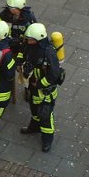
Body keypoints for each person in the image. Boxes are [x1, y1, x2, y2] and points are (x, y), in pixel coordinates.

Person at [20, 23, 62, 152]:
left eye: (31, 39)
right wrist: (19, 64)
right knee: (34, 109)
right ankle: (34, 127)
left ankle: (47, 139)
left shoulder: (49, 53)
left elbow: (54, 75)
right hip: (33, 87)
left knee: (46, 117)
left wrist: (39, 84)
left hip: (45, 92)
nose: (28, 41)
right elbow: (23, 53)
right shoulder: (30, 46)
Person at [0, 0, 38, 102]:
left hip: (24, 48)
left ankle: (28, 89)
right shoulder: (4, 15)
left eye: (13, 7)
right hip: (9, 47)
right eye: (9, 7)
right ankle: (8, 89)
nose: (10, 9)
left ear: (20, 8)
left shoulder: (29, 18)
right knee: (7, 69)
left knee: (26, 71)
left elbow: (34, 33)